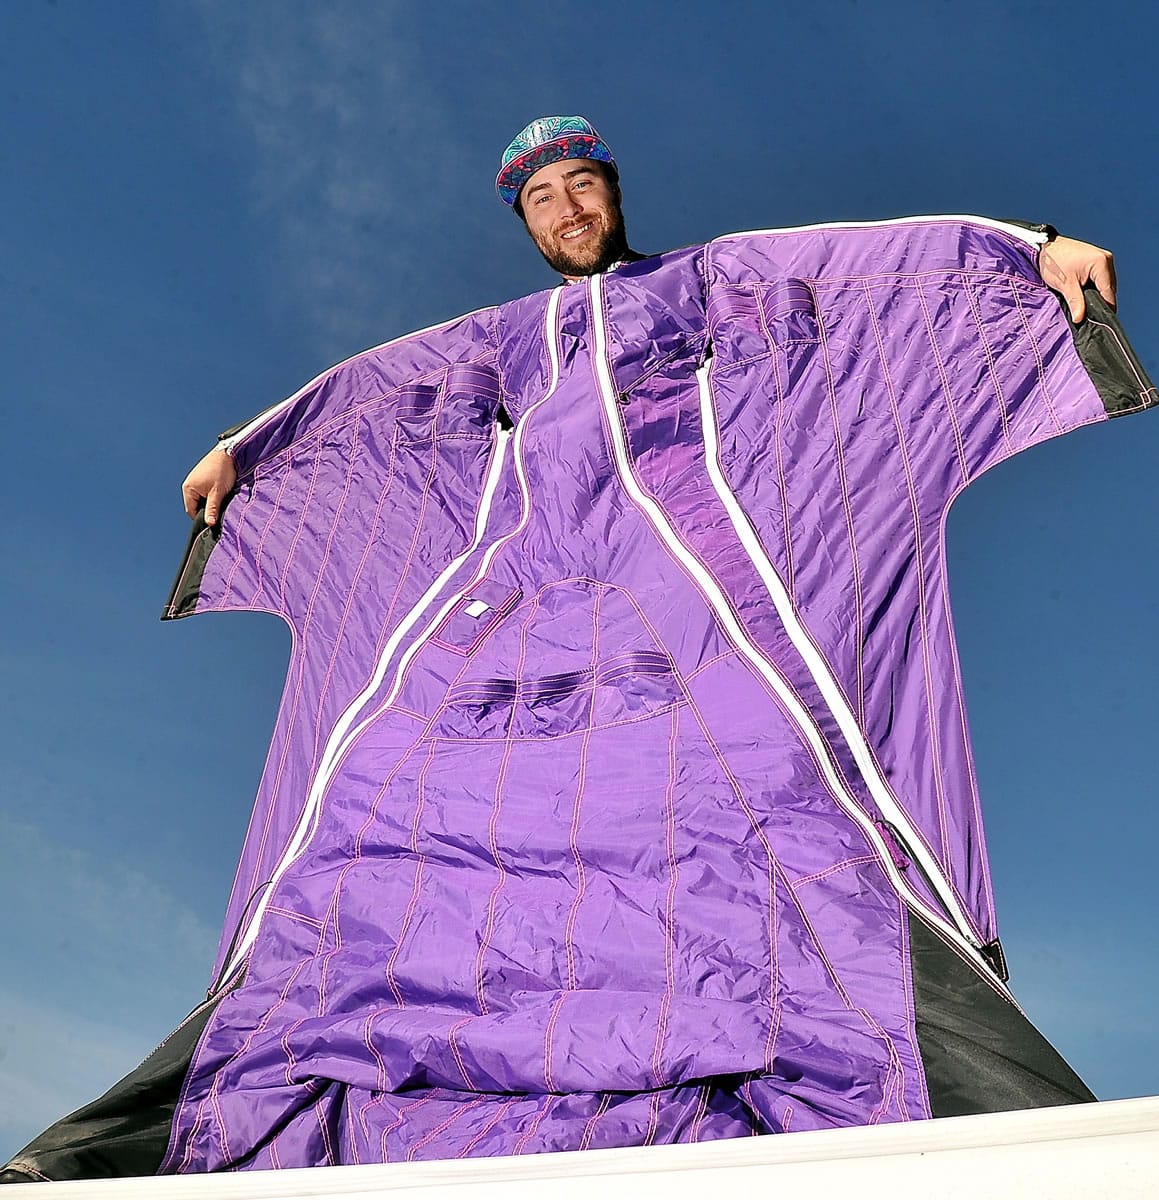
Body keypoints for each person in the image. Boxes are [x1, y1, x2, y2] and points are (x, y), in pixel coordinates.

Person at [181, 114, 1118, 524]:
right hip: (557, 568)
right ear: (529, 224)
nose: (567, 207)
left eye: (580, 183)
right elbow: (374, 388)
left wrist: (1027, 247)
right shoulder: (500, 340)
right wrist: (245, 448)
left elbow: (862, 257)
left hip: (720, 537)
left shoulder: (706, 275)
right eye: (542, 198)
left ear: (613, 192)